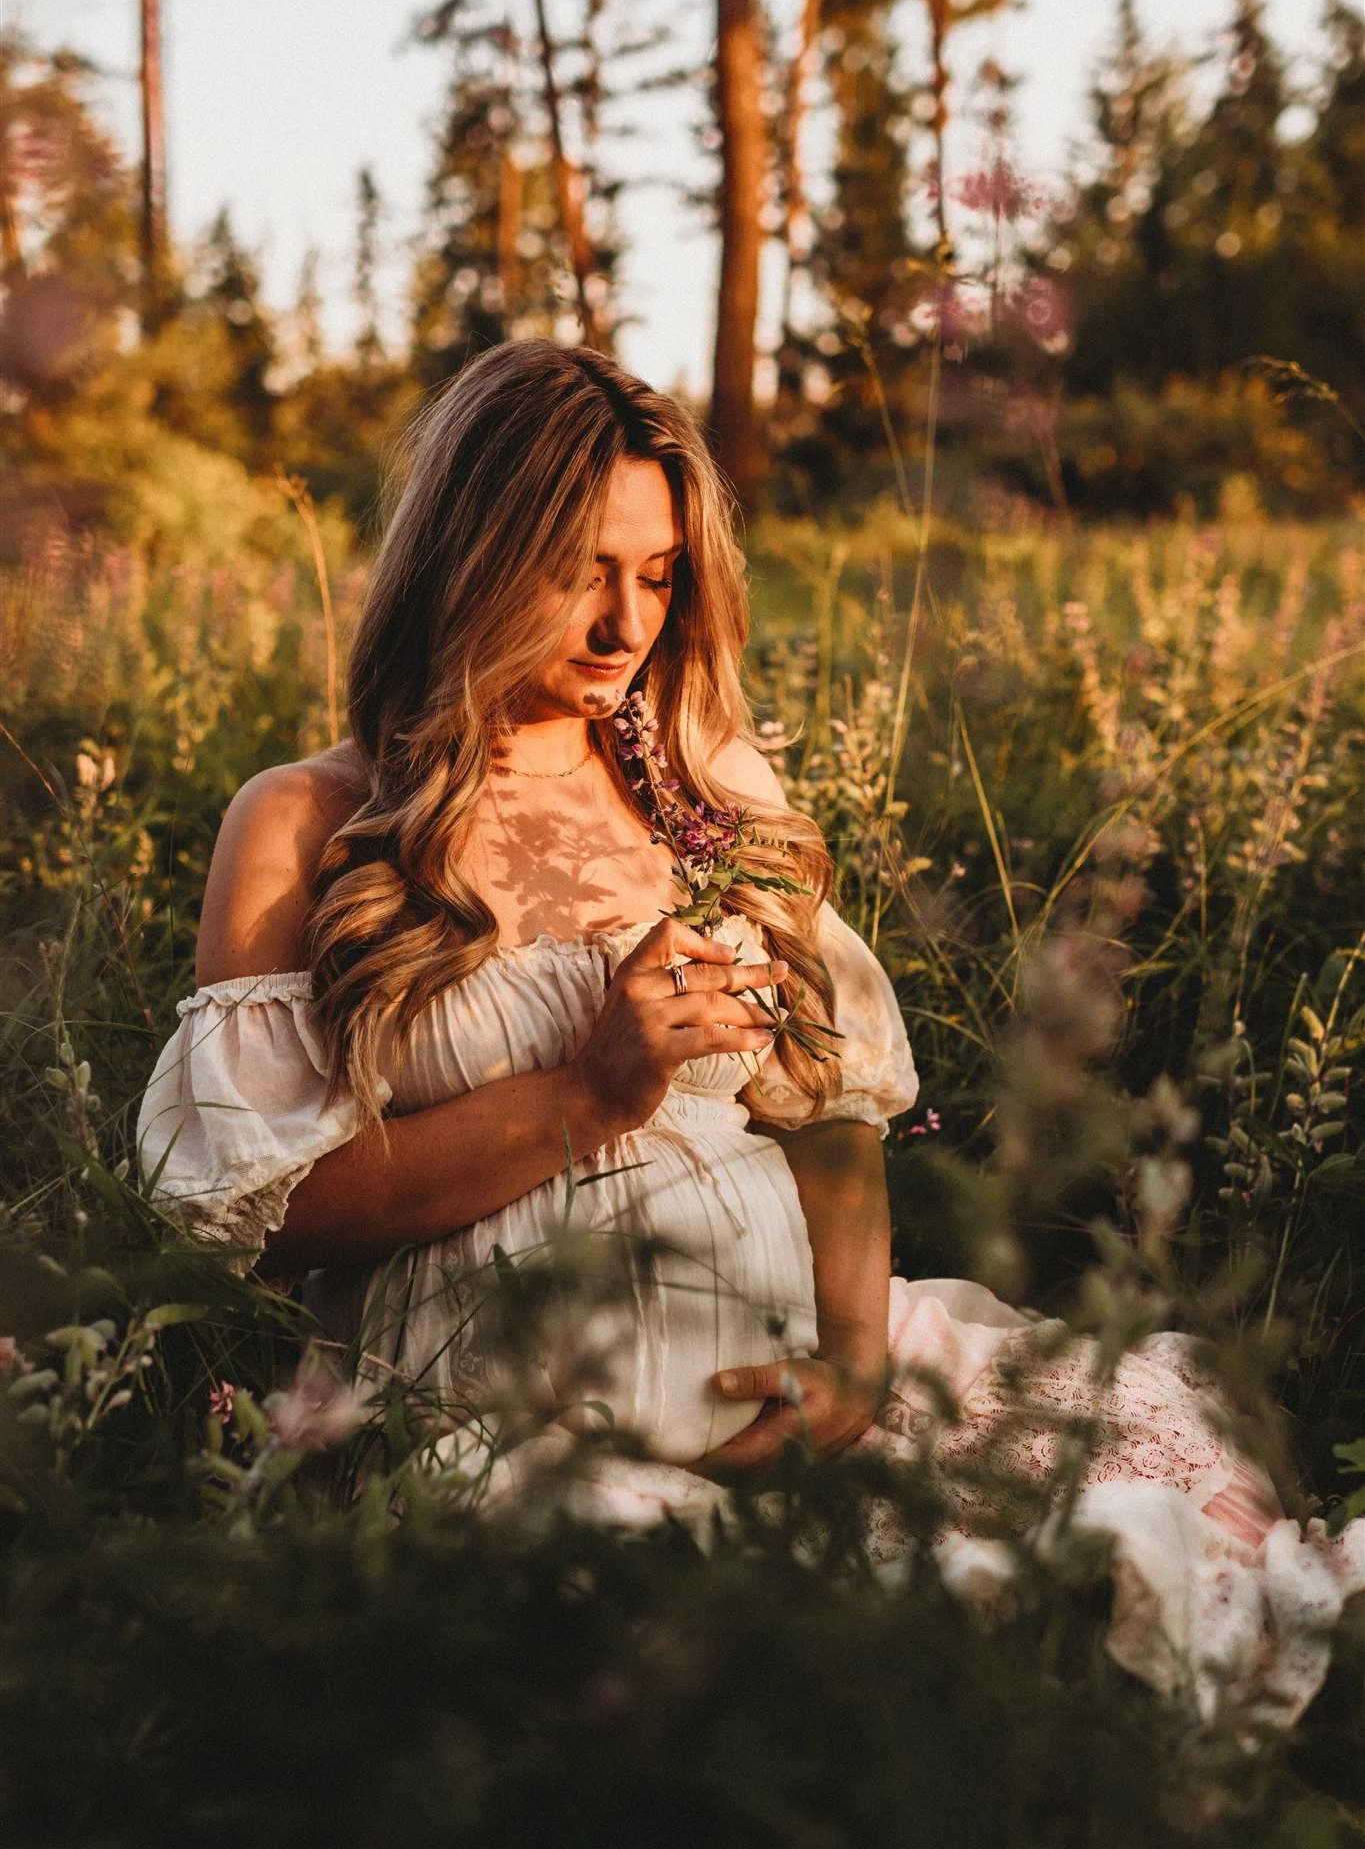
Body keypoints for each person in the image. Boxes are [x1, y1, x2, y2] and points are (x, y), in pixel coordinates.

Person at [138, 341, 1362, 1730]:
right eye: (580, 572)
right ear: (467, 559)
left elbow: (831, 1107)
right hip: (506, 1428)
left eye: (659, 576)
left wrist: (852, 1364)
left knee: (1146, 1519)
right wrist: (584, 1096)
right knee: (749, 1685)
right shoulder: (307, 824)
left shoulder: (705, 791)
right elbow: (271, 1213)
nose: (625, 625)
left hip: (799, 1399)